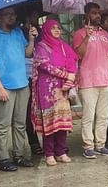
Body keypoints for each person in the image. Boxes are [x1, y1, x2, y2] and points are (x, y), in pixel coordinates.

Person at [0, 7, 37, 171]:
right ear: (0, 17)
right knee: (2, 125)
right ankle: (3, 159)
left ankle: (19, 155)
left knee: (20, 123)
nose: (12, 17)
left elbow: (27, 54)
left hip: (22, 85)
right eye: (8, 15)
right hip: (3, 87)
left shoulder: (18, 33)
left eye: (14, 14)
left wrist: (32, 39)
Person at [72, 3, 108, 160]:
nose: (97, 15)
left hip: (105, 80)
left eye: (98, 13)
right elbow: (78, 55)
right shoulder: (79, 33)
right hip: (88, 81)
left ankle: (101, 145)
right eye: (93, 13)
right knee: (89, 116)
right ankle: (88, 146)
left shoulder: (105, 34)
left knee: (103, 116)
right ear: (86, 15)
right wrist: (87, 37)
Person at [32, 19, 78, 166]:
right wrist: (65, 76)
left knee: (62, 121)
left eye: (59, 28)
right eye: (53, 28)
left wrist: (69, 81)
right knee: (50, 122)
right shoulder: (41, 46)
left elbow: (73, 63)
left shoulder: (64, 46)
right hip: (47, 90)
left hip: (62, 89)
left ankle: (61, 151)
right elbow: (45, 65)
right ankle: (49, 153)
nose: (57, 30)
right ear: (46, 30)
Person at [22, 7, 44, 155]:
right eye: (34, 14)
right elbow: (27, 53)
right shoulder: (19, 32)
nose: (36, 17)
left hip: (40, 72)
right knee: (28, 111)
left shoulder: (41, 31)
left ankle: (50, 142)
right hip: (25, 74)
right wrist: (31, 38)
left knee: (43, 109)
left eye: (37, 15)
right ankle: (34, 142)